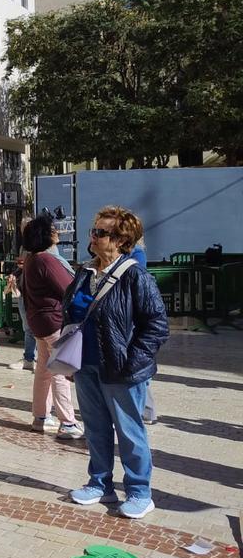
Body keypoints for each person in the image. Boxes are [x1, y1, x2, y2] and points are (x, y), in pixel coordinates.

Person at [63, 206, 168, 519]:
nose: (92, 237)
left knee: (130, 432)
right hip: (86, 365)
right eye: (93, 231)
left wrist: (133, 361)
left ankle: (139, 491)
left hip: (121, 369)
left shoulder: (135, 274)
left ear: (122, 241)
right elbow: (71, 314)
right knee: (95, 429)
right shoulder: (84, 271)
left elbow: (157, 324)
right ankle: (100, 483)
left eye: (101, 232)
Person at [21, 216, 83, 439]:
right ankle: (67, 422)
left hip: (39, 322)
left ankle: (41, 417)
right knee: (60, 371)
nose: (57, 232)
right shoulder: (47, 260)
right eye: (53, 229)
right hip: (54, 321)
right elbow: (68, 288)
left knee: (44, 370)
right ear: (44, 234)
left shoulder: (31, 259)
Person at [130, 240, 158, 425]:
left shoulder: (137, 254)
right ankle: (145, 410)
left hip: (134, 320)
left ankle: (147, 411)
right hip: (129, 320)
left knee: (138, 369)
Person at [5, 253, 36, 372]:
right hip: (24, 299)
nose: (19, 264)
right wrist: (13, 282)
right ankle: (29, 359)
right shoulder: (19, 271)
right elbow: (16, 293)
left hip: (35, 300)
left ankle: (36, 360)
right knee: (28, 330)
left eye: (21, 263)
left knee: (37, 331)